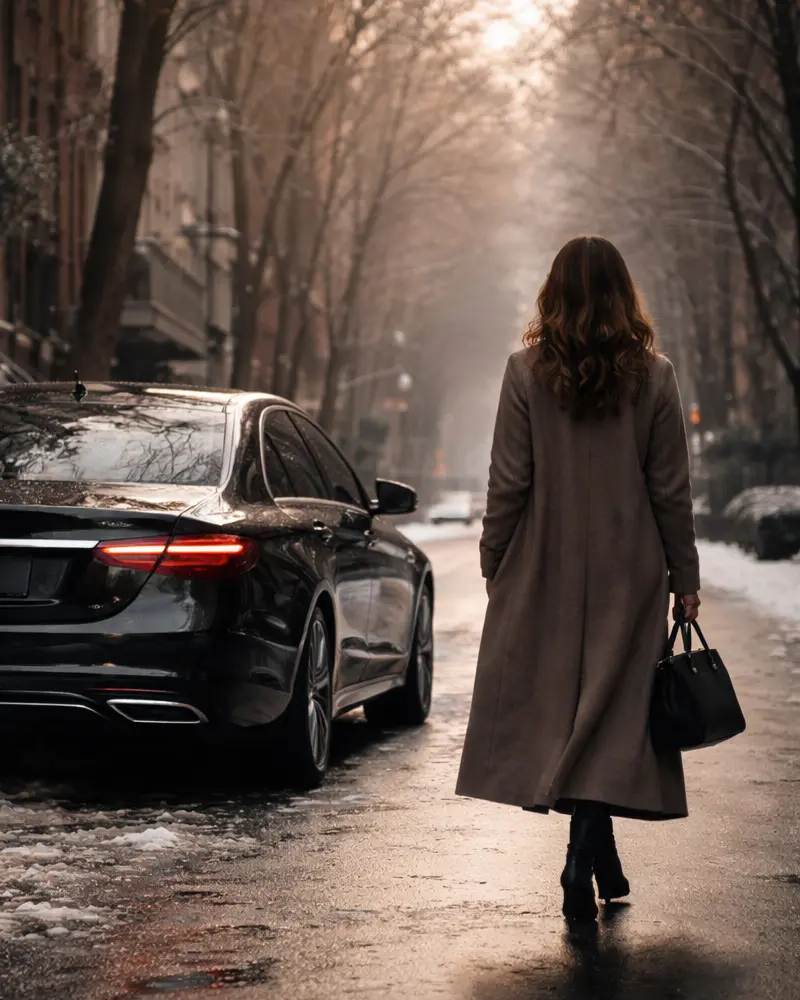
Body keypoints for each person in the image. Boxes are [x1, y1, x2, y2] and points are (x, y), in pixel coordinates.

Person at [455, 235, 701, 922]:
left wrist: (495, 558)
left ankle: (583, 857)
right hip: (633, 569)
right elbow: (670, 489)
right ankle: (589, 857)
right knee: (610, 715)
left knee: (570, 712)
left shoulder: (524, 372)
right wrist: (684, 575)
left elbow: (508, 482)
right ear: (625, 295)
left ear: (553, 294)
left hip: (546, 564)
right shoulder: (654, 376)